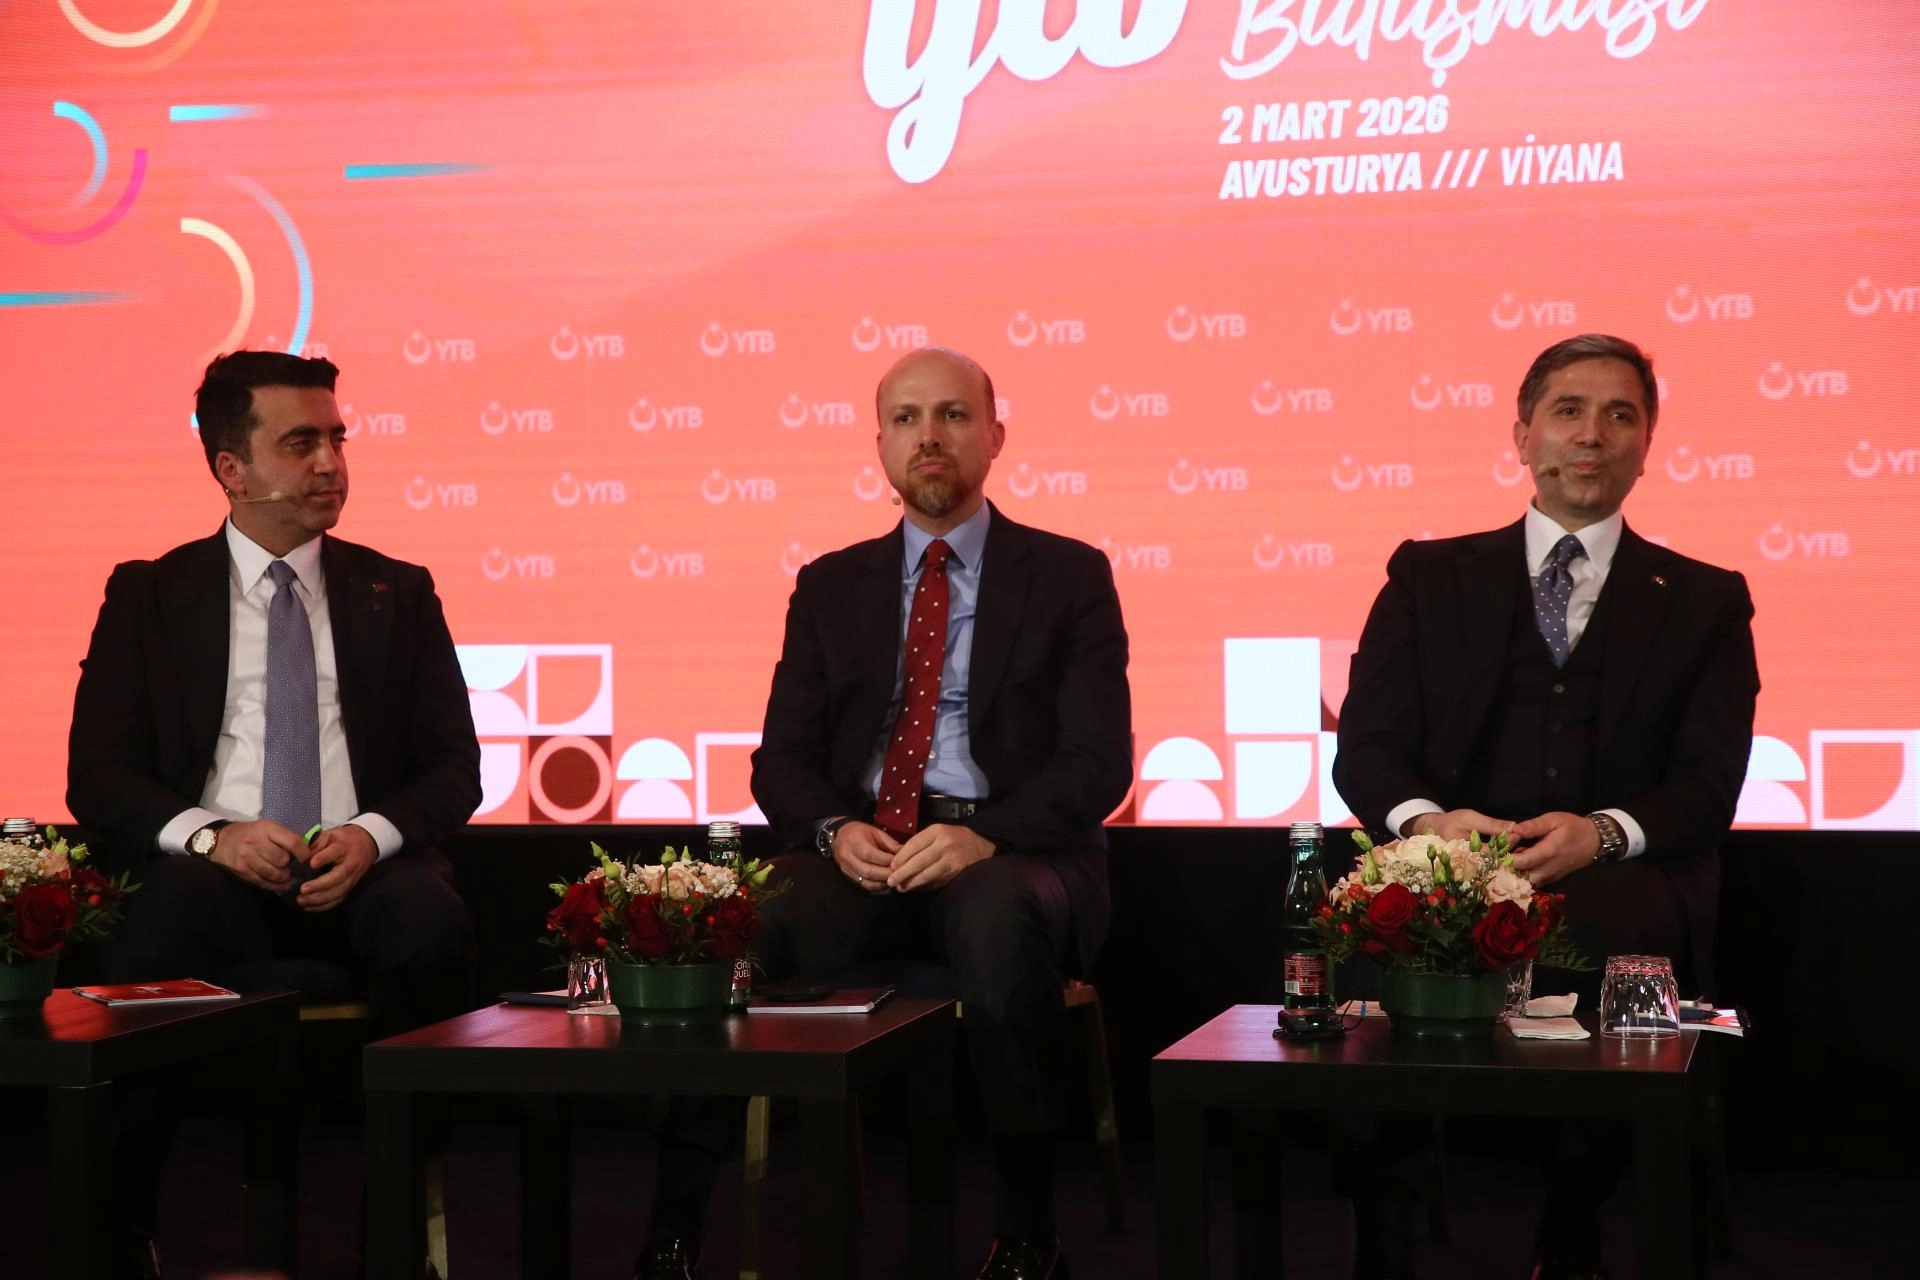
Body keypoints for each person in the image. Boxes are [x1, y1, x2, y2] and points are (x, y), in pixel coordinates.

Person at [633, 346, 1132, 1280]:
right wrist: (833, 829)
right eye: (906, 419)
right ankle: (672, 1232)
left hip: (1015, 851)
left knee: (997, 916)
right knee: (738, 922)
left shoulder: (1069, 576)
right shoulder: (831, 584)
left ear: (996, 436)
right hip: (864, 851)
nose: (928, 436)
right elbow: (780, 758)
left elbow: (1097, 761)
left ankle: (1028, 1233)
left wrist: (984, 835)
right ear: (880, 446)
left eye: (952, 415)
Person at [1332, 333, 1760, 1279]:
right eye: (1569, 410)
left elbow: (1706, 787)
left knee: (1615, 940)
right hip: (1451, 862)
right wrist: (1431, 828)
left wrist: (1601, 835)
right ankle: (1381, 1242)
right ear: (1523, 434)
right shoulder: (1427, 577)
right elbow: (1367, 751)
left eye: (1620, 415)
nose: (1592, 435)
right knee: (1373, 940)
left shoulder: (1706, 600)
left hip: (1617, 873)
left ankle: (1569, 1239)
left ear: (1647, 444)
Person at [66, 350, 482, 1277]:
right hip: (213, 873)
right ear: (232, 467)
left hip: (361, 874)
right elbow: (98, 776)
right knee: (157, 917)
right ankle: (121, 1227)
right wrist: (213, 835)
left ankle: (399, 1227)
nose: (331, 462)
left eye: (337, 438)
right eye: (301, 443)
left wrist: (369, 835)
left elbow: (455, 768)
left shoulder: (398, 591)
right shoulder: (150, 595)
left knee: (428, 920)